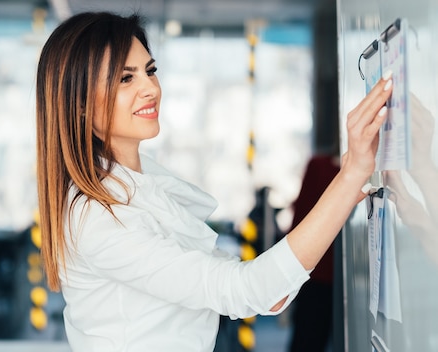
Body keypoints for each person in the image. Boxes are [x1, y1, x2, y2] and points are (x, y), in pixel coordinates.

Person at [35, 11, 393, 352]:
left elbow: (270, 293)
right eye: (125, 78)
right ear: (80, 104)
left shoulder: (144, 184)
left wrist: (353, 178)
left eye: (150, 70)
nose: (151, 88)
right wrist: (350, 178)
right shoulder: (95, 217)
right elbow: (250, 291)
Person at [287, 153, 340, 351]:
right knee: (308, 340)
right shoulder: (319, 166)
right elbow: (300, 218)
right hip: (316, 275)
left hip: (346, 276)